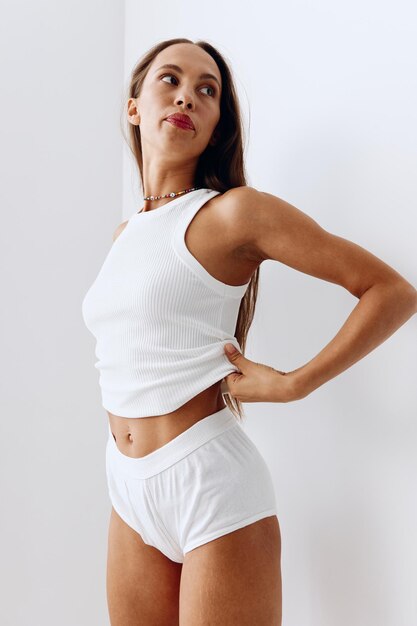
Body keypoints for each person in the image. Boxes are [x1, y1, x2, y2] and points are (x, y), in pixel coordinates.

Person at [81, 37, 417, 626]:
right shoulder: (124, 234)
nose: (187, 95)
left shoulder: (234, 213)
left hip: (209, 483)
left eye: (207, 91)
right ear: (134, 106)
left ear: (215, 126)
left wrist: (295, 384)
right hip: (126, 484)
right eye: (171, 80)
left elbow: (391, 291)